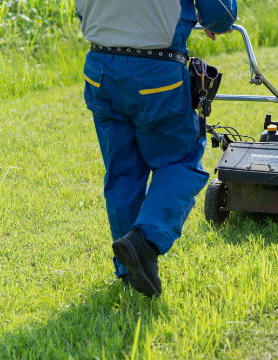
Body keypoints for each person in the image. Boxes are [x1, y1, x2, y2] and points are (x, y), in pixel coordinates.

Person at [74, 0, 237, 297]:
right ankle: (144, 242)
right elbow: (219, 13)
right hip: (155, 70)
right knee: (181, 161)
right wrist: (216, 23)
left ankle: (129, 269)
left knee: (123, 172)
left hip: (99, 67)